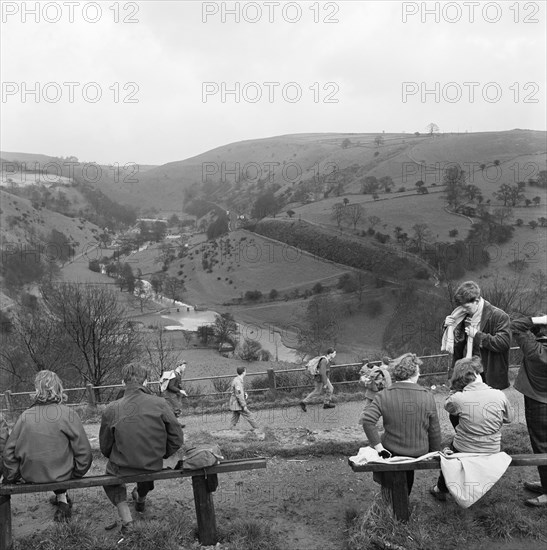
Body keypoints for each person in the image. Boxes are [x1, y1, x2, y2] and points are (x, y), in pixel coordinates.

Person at [100, 364, 184, 534]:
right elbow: (177, 437)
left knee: (111, 478)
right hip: (152, 463)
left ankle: (127, 521)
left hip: (121, 466)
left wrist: (118, 455)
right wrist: (162, 453)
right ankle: (141, 498)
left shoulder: (111, 408)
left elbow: (105, 446)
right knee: (146, 466)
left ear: (123, 382)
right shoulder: (160, 403)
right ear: (146, 381)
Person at [2, 371, 92, 522]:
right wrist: (76, 473)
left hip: (32, 475)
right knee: (61, 454)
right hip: (63, 474)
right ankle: (62, 499)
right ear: (59, 388)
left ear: (36, 390)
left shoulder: (25, 416)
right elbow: (84, 452)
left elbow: (8, 453)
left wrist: (13, 476)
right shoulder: (68, 414)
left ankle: (61, 498)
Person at [430, 357, 512, 501]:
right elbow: (509, 418)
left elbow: (449, 407)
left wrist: (455, 391)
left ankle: (440, 489)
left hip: (465, 447)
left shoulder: (458, 398)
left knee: (448, 452)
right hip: (491, 447)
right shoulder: (499, 395)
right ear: (478, 375)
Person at [360, 353, 441, 495]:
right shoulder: (427, 396)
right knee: (406, 475)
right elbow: (434, 430)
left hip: (391, 450)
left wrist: (379, 449)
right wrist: (433, 452)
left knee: (392, 473)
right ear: (415, 373)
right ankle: (401, 499)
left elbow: (367, 421)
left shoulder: (384, 394)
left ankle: (391, 499)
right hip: (418, 451)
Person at [442, 280, 511, 390]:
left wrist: (477, 335)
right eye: (462, 307)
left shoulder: (500, 316)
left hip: (489, 374)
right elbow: (457, 344)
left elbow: (503, 343)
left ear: (477, 300)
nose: (464, 310)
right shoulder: (461, 315)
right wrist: (449, 326)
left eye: (467, 307)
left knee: (489, 406)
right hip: (465, 372)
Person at [511, 313, 547, 507]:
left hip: (538, 403)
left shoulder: (534, 351)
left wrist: (537, 319)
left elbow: (516, 325)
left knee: (541, 446)